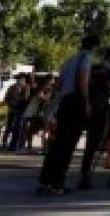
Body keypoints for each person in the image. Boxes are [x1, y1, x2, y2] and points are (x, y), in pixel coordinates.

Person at [37, 33, 98, 195]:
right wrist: (86, 102)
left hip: (65, 100)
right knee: (68, 144)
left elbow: (59, 84)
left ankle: (45, 179)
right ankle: (58, 182)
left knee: (58, 143)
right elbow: (82, 79)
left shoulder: (70, 59)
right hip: (75, 101)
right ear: (94, 47)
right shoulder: (87, 58)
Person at [78, 46, 110, 190]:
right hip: (100, 109)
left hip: (89, 106)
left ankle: (85, 173)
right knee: (94, 143)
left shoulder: (94, 68)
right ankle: (85, 176)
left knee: (90, 145)